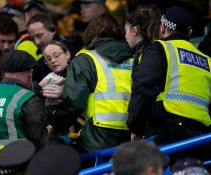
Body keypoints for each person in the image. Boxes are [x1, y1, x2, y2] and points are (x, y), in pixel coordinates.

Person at [127, 6, 211, 145]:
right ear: (189, 32)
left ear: (163, 28)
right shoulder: (206, 60)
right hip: (202, 134)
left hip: (170, 131)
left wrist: (136, 128)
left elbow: (143, 88)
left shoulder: (159, 49)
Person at [51, 13, 133, 152]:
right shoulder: (135, 58)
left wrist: (55, 125)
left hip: (97, 139)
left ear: (93, 35)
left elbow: (74, 102)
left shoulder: (86, 59)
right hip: (133, 136)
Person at [0, 50, 49, 149]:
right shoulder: (28, 98)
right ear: (30, 73)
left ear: (2, 73)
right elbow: (40, 141)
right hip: (20, 160)